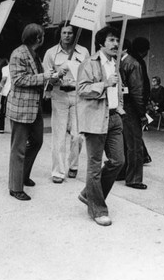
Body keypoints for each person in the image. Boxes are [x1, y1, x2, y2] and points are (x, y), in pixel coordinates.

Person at [76, 26, 125, 226]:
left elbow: (119, 90)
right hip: (96, 119)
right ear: (101, 43)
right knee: (94, 166)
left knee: (118, 161)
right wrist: (104, 83)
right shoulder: (89, 63)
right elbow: (82, 89)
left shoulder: (116, 64)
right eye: (111, 40)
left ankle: (89, 193)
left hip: (114, 118)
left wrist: (120, 107)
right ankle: (97, 209)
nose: (115, 44)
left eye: (116, 40)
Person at [7, 23, 54, 201]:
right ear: (37, 38)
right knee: (18, 148)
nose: (43, 38)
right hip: (21, 108)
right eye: (41, 35)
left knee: (37, 141)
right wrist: (45, 76)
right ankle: (15, 187)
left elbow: (37, 78)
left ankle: (22, 174)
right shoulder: (19, 54)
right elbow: (19, 79)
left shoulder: (34, 54)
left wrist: (52, 76)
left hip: (34, 107)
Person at [43, 21, 90, 183]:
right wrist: (57, 74)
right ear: (60, 34)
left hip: (78, 96)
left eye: (70, 33)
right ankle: (58, 171)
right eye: (64, 33)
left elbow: (88, 74)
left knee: (78, 136)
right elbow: (46, 79)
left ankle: (73, 165)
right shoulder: (51, 53)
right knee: (59, 135)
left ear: (74, 34)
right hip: (59, 96)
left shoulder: (83, 52)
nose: (67, 36)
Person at [119, 38, 148, 190]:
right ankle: (132, 177)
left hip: (129, 107)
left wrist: (141, 113)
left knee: (132, 144)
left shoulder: (129, 63)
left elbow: (137, 91)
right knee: (132, 144)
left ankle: (130, 175)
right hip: (127, 107)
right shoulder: (128, 63)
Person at [131, 37, 152, 164]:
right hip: (137, 103)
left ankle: (144, 155)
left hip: (136, 102)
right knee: (136, 132)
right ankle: (142, 156)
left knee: (135, 132)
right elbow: (140, 87)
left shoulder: (133, 61)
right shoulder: (137, 63)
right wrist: (142, 109)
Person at [0, 61, 11, 133]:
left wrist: (0, 89)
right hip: (14, 91)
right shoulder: (17, 68)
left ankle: (1, 128)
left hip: (6, 92)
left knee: (2, 110)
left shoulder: (5, 68)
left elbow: (4, 79)